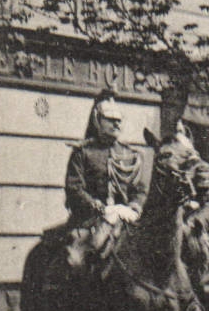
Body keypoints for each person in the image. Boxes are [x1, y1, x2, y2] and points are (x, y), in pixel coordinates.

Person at [63, 87, 147, 233]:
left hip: (125, 219)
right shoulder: (83, 152)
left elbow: (140, 189)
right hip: (90, 220)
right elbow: (75, 188)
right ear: (97, 120)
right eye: (110, 119)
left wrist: (134, 207)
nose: (116, 124)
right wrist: (100, 208)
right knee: (75, 254)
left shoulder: (131, 154)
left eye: (119, 120)